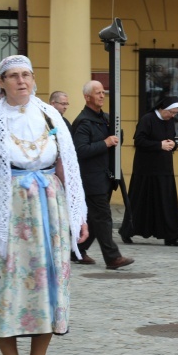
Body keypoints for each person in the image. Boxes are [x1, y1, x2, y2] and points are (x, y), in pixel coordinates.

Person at [0, 55, 89, 355]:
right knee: (4, 286)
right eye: (13, 76)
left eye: (26, 74)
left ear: (34, 79)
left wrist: (78, 215)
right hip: (8, 211)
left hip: (50, 208)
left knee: (49, 283)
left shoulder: (50, 115)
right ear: (1, 83)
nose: (21, 80)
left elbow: (68, 167)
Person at [71, 80, 134, 270]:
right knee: (103, 217)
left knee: (93, 218)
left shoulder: (106, 118)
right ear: (87, 97)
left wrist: (116, 135)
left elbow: (116, 140)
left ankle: (77, 250)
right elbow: (80, 150)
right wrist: (105, 143)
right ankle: (113, 257)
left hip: (105, 176)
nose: (101, 96)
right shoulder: (83, 122)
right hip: (91, 178)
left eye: (103, 93)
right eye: (97, 93)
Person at [119, 96, 178, 247]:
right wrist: (159, 145)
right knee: (139, 202)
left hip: (164, 169)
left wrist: (173, 144)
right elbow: (139, 141)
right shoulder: (147, 119)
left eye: (175, 113)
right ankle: (127, 231)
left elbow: (172, 140)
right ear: (163, 109)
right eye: (171, 112)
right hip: (146, 170)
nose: (173, 116)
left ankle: (171, 236)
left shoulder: (169, 122)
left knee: (166, 203)